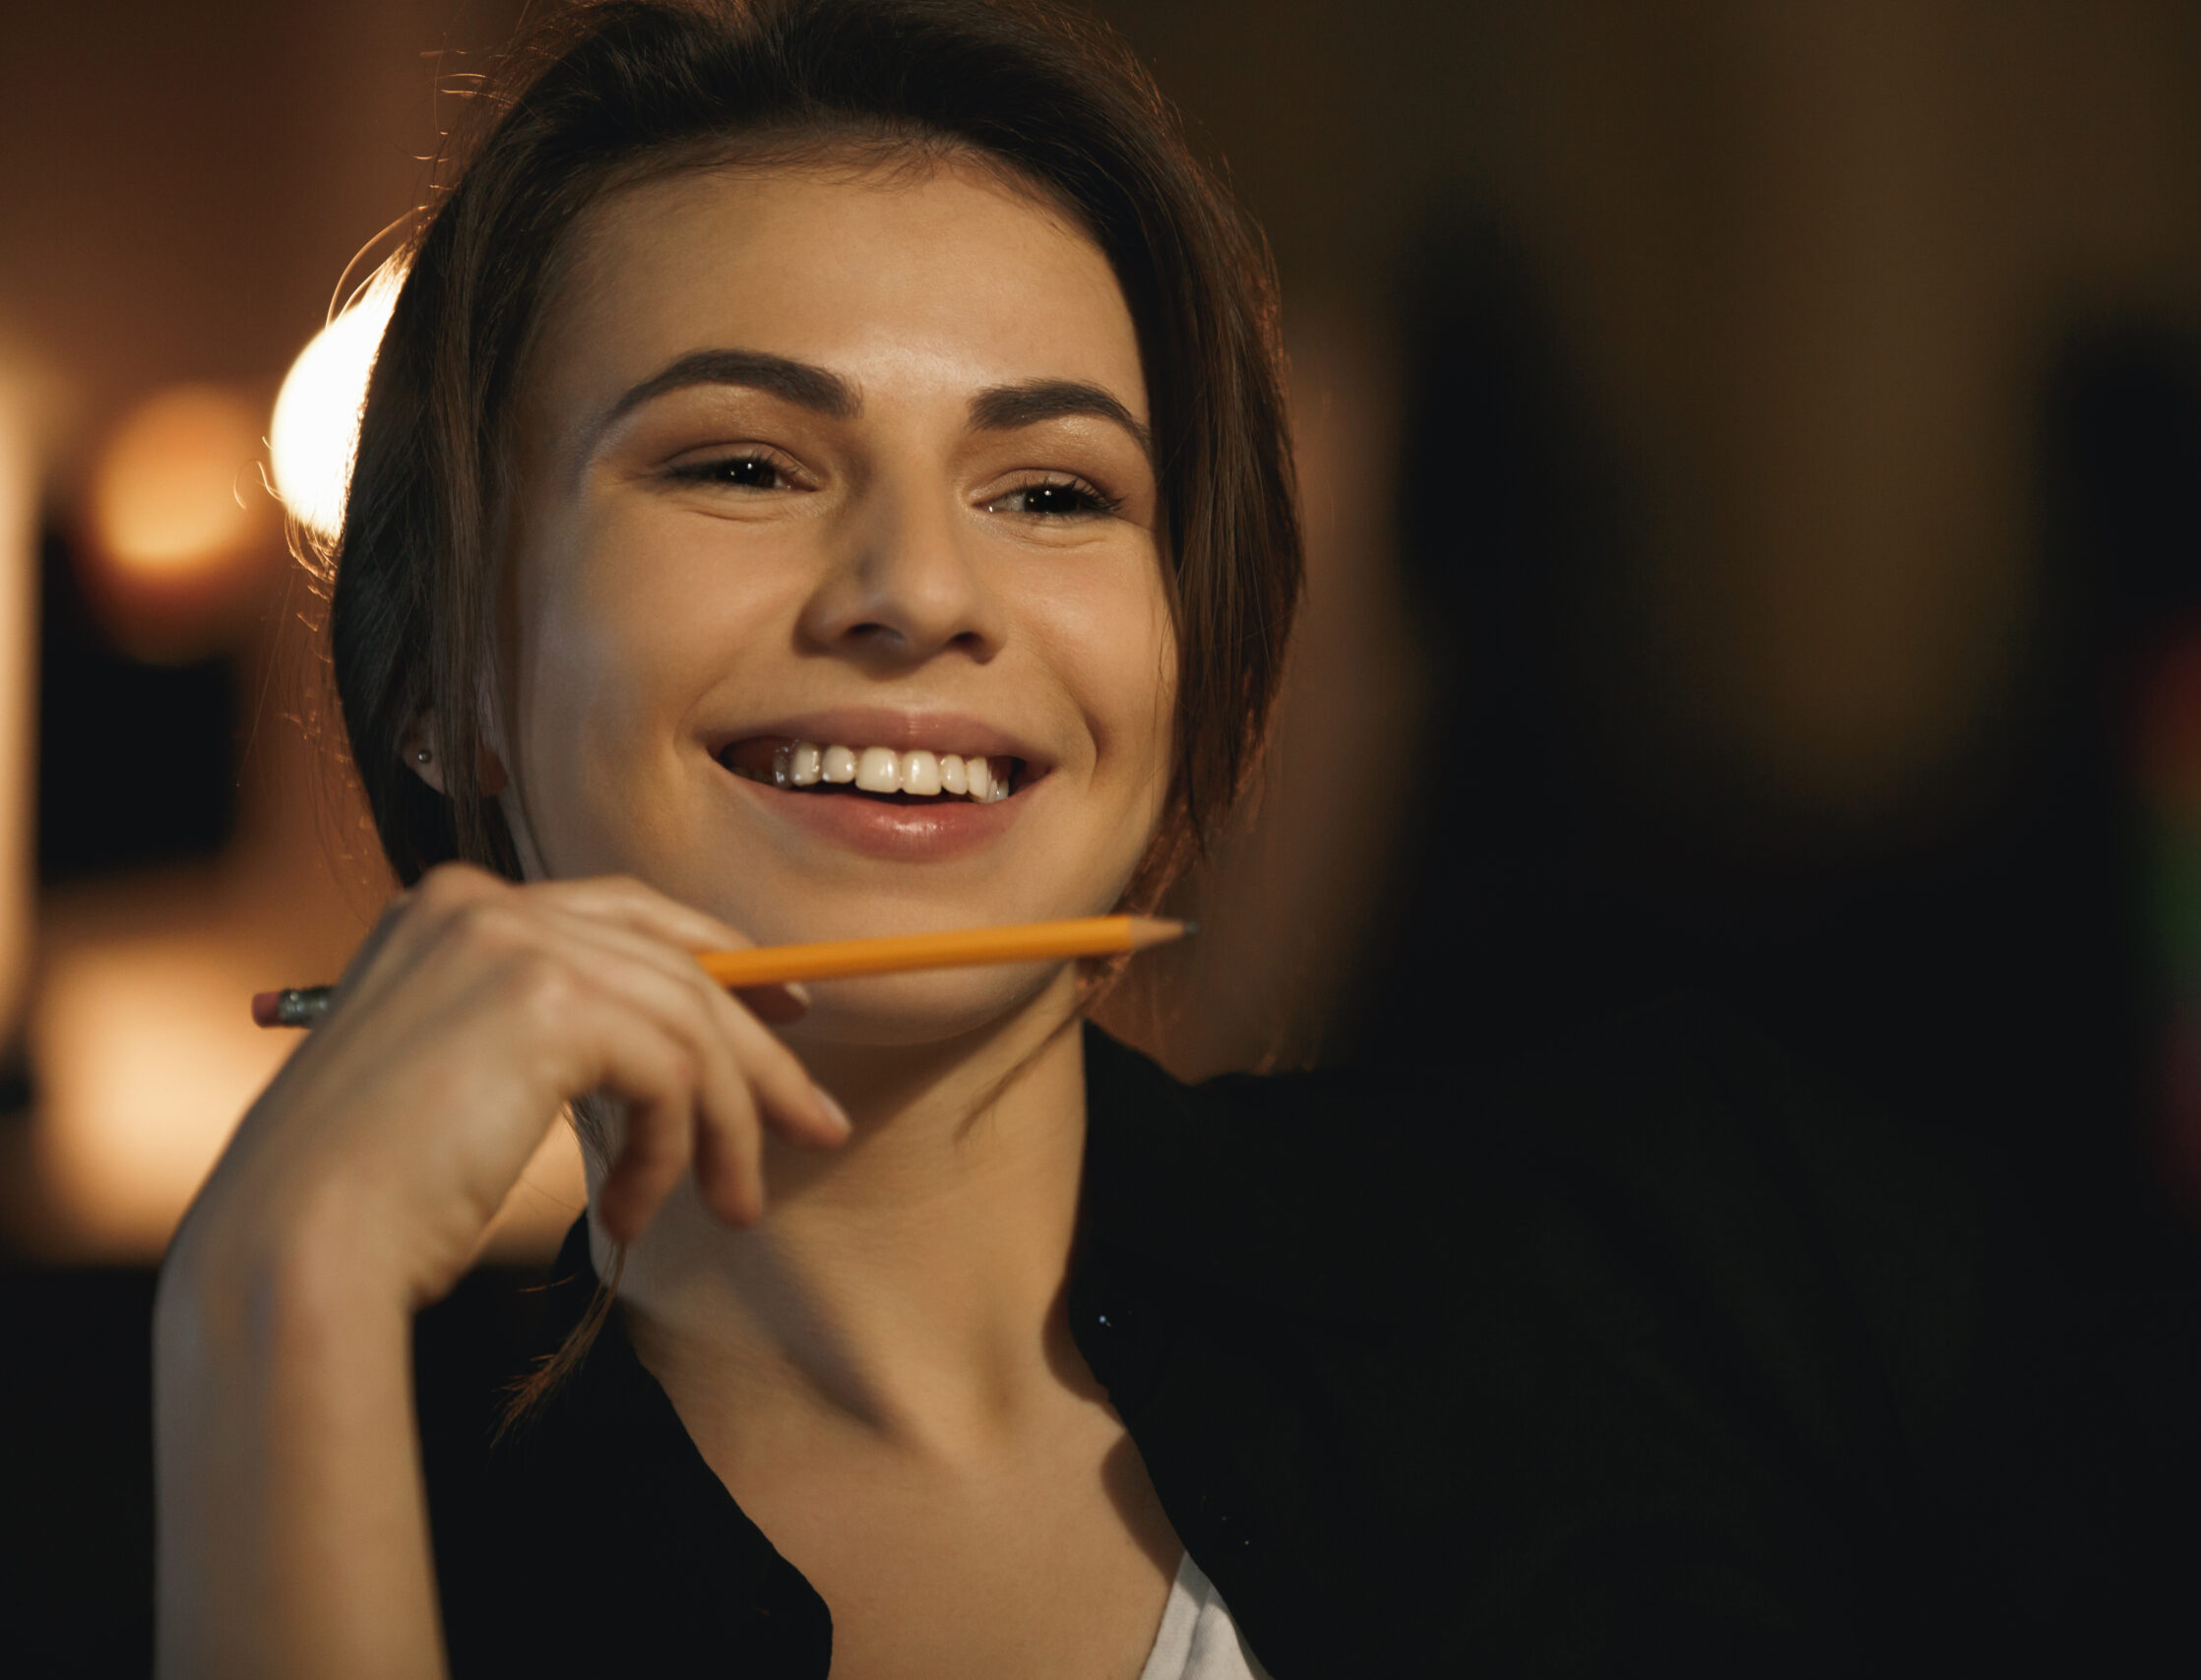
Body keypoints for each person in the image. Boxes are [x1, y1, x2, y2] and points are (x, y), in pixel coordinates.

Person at [153, 3, 2015, 1675]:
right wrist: (277, 1307)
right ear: (442, 671)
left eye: (1052, 491)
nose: (918, 590)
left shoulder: (1699, 1260)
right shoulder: (323, 1543)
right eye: (741, 464)